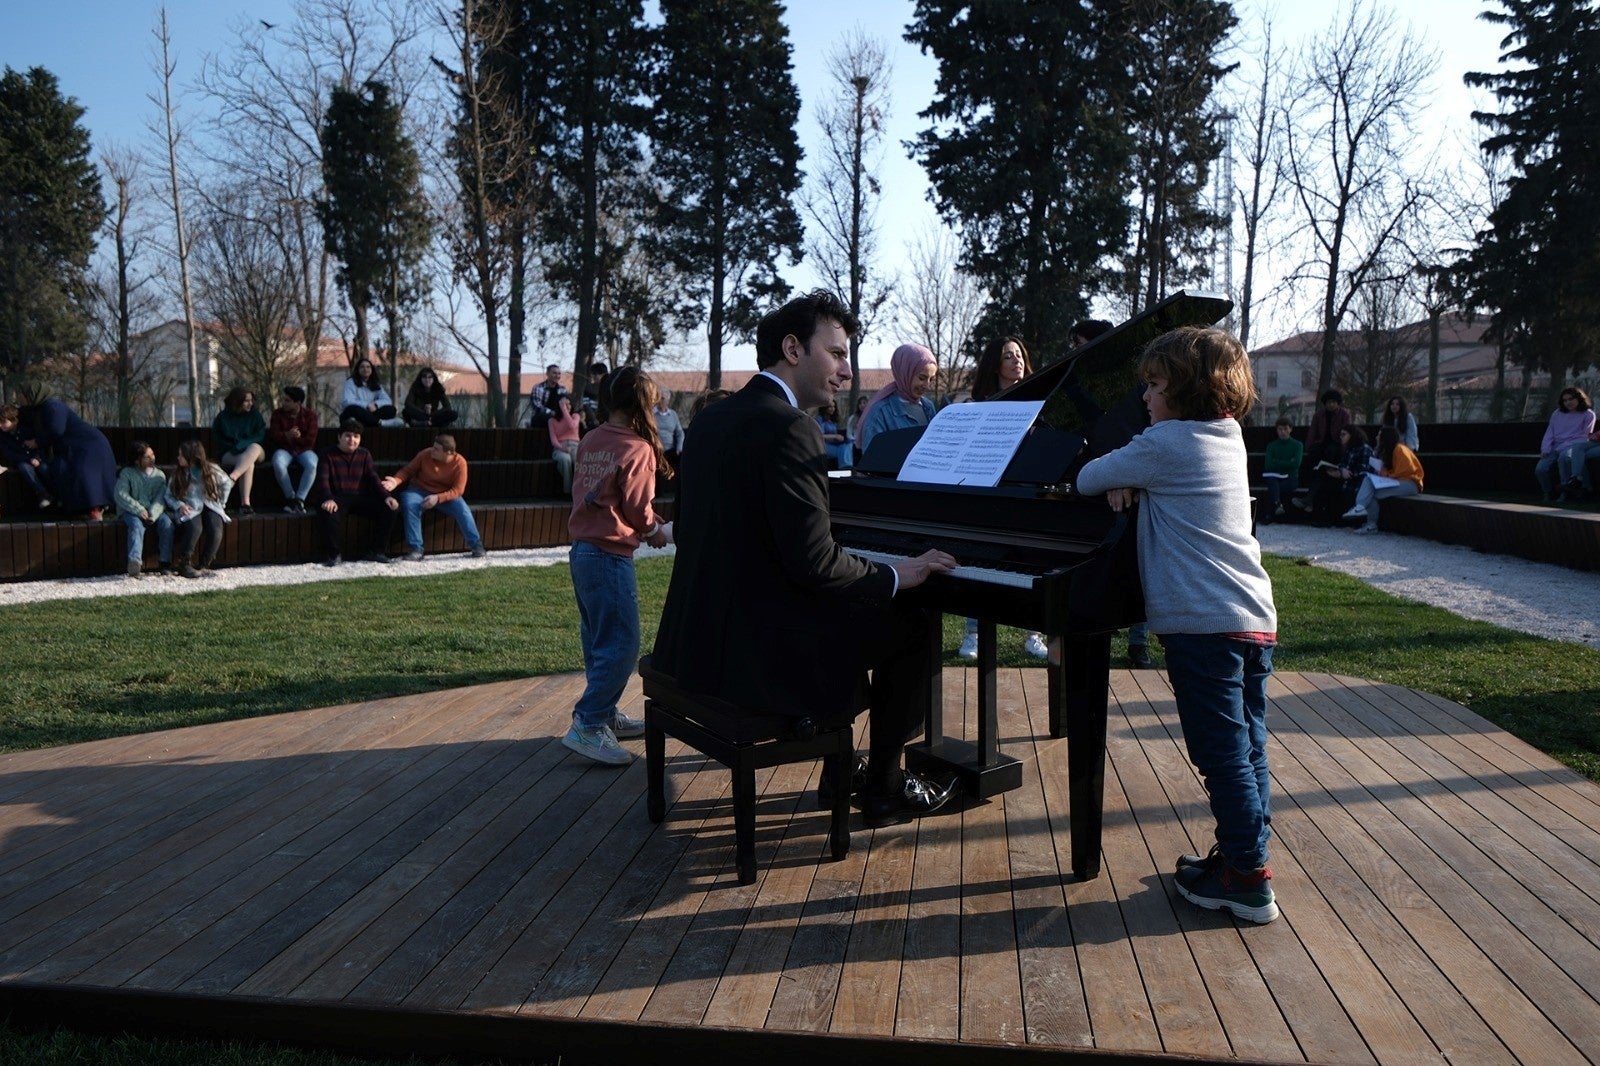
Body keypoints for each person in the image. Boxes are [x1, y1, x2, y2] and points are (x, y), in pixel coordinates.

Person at [653, 289, 960, 828]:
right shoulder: (792, 427)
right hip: (757, 655)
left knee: (867, 610)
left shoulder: (712, 420)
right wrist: (895, 573)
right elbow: (816, 563)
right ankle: (883, 786)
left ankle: (843, 765)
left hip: (698, 639)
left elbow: (721, 529)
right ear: (793, 349)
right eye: (837, 353)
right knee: (915, 617)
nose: (846, 371)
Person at [1075, 325, 1279, 924]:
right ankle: (1245, 857)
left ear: (1186, 390)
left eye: (1155, 384)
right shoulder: (1228, 435)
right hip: (1252, 619)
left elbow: (1089, 475)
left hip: (1202, 625)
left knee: (1221, 757)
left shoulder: (1165, 442)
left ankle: (1246, 877)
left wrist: (1121, 477)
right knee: (1248, 749)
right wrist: (1132, 478)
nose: (1145, 396)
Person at [562, 366, 673, 766]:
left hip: (582, 552)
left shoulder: (592, 438)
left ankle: (604, 715)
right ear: (642, 404)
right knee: (623, 646)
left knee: (598, 641)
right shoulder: (637, 448)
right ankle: (588, 725)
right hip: (609, 556)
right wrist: (655, 531)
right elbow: (636, 509)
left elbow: (602, 494)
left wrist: (646, 523)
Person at [958, 335, 1036, 661]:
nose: (1016, 360)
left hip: (1025, 495)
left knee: (1031, 563)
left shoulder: (1039, 403)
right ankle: (972, 634)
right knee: (980, 562)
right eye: (1007, 356)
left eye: (1019, 354)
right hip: (987, 495)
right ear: (995, 364)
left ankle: (1034, 634)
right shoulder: (978, 405)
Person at [381, 433, 486, 561]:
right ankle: (416, 549)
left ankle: (476, 546)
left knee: (462, 509)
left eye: (436, 449)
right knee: (410, 505)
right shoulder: (425, 454)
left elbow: (458, 490)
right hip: (418, 490)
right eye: (433, 447)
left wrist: (437, 498)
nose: (432, 450)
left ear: (449, 453)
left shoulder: (460, 463)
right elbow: (407, 470)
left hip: (444, 494)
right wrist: (395, 481)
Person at [312, 419, 399, 565]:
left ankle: (376, 551)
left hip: (360, 497)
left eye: (356, 436)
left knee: (390, 508)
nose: (352, 440)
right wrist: (328, 498)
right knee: (328, 512)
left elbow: (373, 478)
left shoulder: (364, 454)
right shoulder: (327, 454)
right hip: (336, 498)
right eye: (348, 435)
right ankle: (334, 555)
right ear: (339, 437)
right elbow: (323, 479)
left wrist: (386, 497)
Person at [15, 398, 116, 519]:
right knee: (66, 471)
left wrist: (37, 442)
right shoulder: (40, 409)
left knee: (87, 475)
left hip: (87, 444)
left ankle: (95, 508)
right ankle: (82, 507)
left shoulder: (53, 406)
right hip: (74, 446)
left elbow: (56, 430)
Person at [165, 439, 233, 579]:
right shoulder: (178, 474)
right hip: (190, 507)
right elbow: (168, 495)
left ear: (192, 457)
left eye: (181, 455)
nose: (178, 458)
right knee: (195, 528)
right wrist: (179, 505)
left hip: (210, 505)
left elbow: (226, 483)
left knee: (216, 530)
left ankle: (204, 564)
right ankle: (184, 563)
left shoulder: (211, 469)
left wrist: (221, 503)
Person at [856, 343, 938, 455]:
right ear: (905, 373)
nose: (926, 385)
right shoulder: (880, 412)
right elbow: (873, 459)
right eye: (922, 378)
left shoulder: (928, 407)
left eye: (931, 379)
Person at [1344, 426, 1424, 534]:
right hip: (1399, 481)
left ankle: (1366, 516)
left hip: (1410, 483)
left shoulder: (1400, 449)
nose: (1377, 437)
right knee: (1368, 483)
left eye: (1379, 435)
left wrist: (1383, 473)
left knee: (1369, 491)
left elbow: (1403, 472)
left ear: (1385, 437)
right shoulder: (1387, 451)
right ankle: (1363, 512)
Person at [114, 440, 173, 578]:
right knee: (136, 526)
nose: (152, 458)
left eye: (152, 454)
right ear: (137, 460)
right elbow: (121, 494)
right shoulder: (127, 474)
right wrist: (139, 510)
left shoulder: (159, 476)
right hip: (130, 512)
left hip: (155, 513)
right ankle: (134, 562)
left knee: (167, 525)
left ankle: (165, 562)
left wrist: (153, 514)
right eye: (147, 457)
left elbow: (161, 498)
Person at [212, 386, 267, 515]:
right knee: (248, 464)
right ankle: (245, 503)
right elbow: (218, 438)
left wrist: (242, 444)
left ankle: (232, 478)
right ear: (237, 402)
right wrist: (234, 447)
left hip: (254, 451)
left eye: (251, 400)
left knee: (254, 447)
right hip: (230, 452)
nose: (250, 403)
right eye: (246, 401)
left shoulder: (255, 415)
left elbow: (259, 435)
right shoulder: (222, 417)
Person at [1536, 387, 1594, 502]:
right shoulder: (1557, 414)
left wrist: (1563, 447)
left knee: (1564, 458)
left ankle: (1565, 492)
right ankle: (1547, 492)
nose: (1568, 402)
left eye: (1571, 399)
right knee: (1540, 469)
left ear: (1579, 398)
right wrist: (1545, 449)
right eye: (1565, 400)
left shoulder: (1588, 414)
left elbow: (1584, 436)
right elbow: (1550, 432)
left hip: (1574, 445)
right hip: (1554, 446)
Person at [268, 385, 319, 513]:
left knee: (312, 464)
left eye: (287, 400)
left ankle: (300, 499)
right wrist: (287, 435)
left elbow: (310, 440)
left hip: (304, 449)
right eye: (283, 400)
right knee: (278, 463)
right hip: (284, 449)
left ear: (297, 403)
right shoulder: (277, 414)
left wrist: (295, 438)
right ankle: (291, 497)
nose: (283, 403)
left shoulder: (310, 415)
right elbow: (274, 436)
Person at [1310, 425, 1373, 526]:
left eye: (1344, 434)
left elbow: (1364, 472)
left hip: (1354, 484)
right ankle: (1318, 515)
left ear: (1352, 435)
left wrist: (1344, 474)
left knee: (1327, 485)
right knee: (1322, 474)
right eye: (1340, 435)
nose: (1341, 437)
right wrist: (1339, 470)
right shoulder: (1349, 449)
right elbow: (1343, 465)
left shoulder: (1364, 449)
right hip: (1344, 480)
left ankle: (1314, 507)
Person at [0, 405, 56, 511]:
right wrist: (28, 459)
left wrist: (37, 458)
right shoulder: (3, 436)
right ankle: (43, 494)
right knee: (25, 468)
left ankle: (57, 493)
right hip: (22, 460)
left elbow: (39, 445)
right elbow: (9, 453)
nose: (0, 425)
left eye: (3, 422)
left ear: (14, 421)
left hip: (36, 458)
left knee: (44, 468)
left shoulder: (26, 430)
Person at [1260, 416, 1304, 522]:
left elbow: (1296, 464)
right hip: (1275, 477)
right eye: (1280, 429)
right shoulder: (1272, 446)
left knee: (1274, 487)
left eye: (1285, 429)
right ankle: (1276, 507)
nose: (1282, 432)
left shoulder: (1297, 445)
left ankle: (1270, 513)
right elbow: (1268, 465)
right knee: (1273, 482)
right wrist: (1288, 463)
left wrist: (1277, 462)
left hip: (1291, 478)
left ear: (1290, 429)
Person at [339, 358, 400, 427]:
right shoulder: (351, 382)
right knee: (352, 409)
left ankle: (369, 422)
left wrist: (376, 404)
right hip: (355, 413)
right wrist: (367, 405)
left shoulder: (375, 384)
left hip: (370, 414)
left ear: (371, 370)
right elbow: (347, 401)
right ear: (358, 370)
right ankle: (381, 423)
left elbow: (387, 400)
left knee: (391, 409)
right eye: (362, 367)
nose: (365, 369)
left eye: (368, 367)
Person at [1305, 389, 1353, 466]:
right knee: (1313, 452)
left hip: (1337, 442)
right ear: (1325, 403)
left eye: (1333, 402)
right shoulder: (1318, 415)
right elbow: (1312, 432)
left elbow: (1347, 432)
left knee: (1331, 452)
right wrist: (1308, 447)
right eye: (1328, 402)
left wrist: (1344, 448)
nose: (1331, 404)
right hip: (1321, 442)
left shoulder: (1344, 415)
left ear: (1338, 403)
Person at [547, 393, 582, 495]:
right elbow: (554, 440)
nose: (567, 406)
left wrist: (565, 410)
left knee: (577, 460)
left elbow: (571, 426)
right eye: (564, 404)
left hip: (575, 446)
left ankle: (579, 490)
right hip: (560, 448)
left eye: (569, 404)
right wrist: (563, 448)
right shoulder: (552, 421)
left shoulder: (575, 416)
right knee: (565, 459)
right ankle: (568, 492)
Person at [528, 363, 569, 428]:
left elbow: (566, 406)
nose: (557, 376)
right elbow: (537, 406)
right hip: (541, 419)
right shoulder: (538, 387)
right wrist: (551, 413)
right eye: (554, 373)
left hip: (558, 419)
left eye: (559, 374)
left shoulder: (562, 390)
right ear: (547, 374)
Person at [815, 400, 852, 470]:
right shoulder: (820, 419)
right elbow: (819, 435)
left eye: (834, 407)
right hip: (824, 445)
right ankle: (845, 467)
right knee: (843, 450)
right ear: (825, 408)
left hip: (833, 444)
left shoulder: (832, 421)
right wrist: (835, 436)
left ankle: (847, 467)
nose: (833, 409)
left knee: (847, 444)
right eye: (830, 407)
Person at [654, 388, 684, 471]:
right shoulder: (651, 414)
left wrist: (679, 447)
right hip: (655, 451)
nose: (660, 400)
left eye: (663, 398)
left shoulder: (673, 415)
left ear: (668, 400)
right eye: (658, 398)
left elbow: (680, 433)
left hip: (670, 451)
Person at [846, 393, 871, 465]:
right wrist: (854, 439)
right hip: (856, 443)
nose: (862, 405)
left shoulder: (871, 417)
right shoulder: (853, 418)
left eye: (864, 403)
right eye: (860, 403)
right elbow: (849, 432)